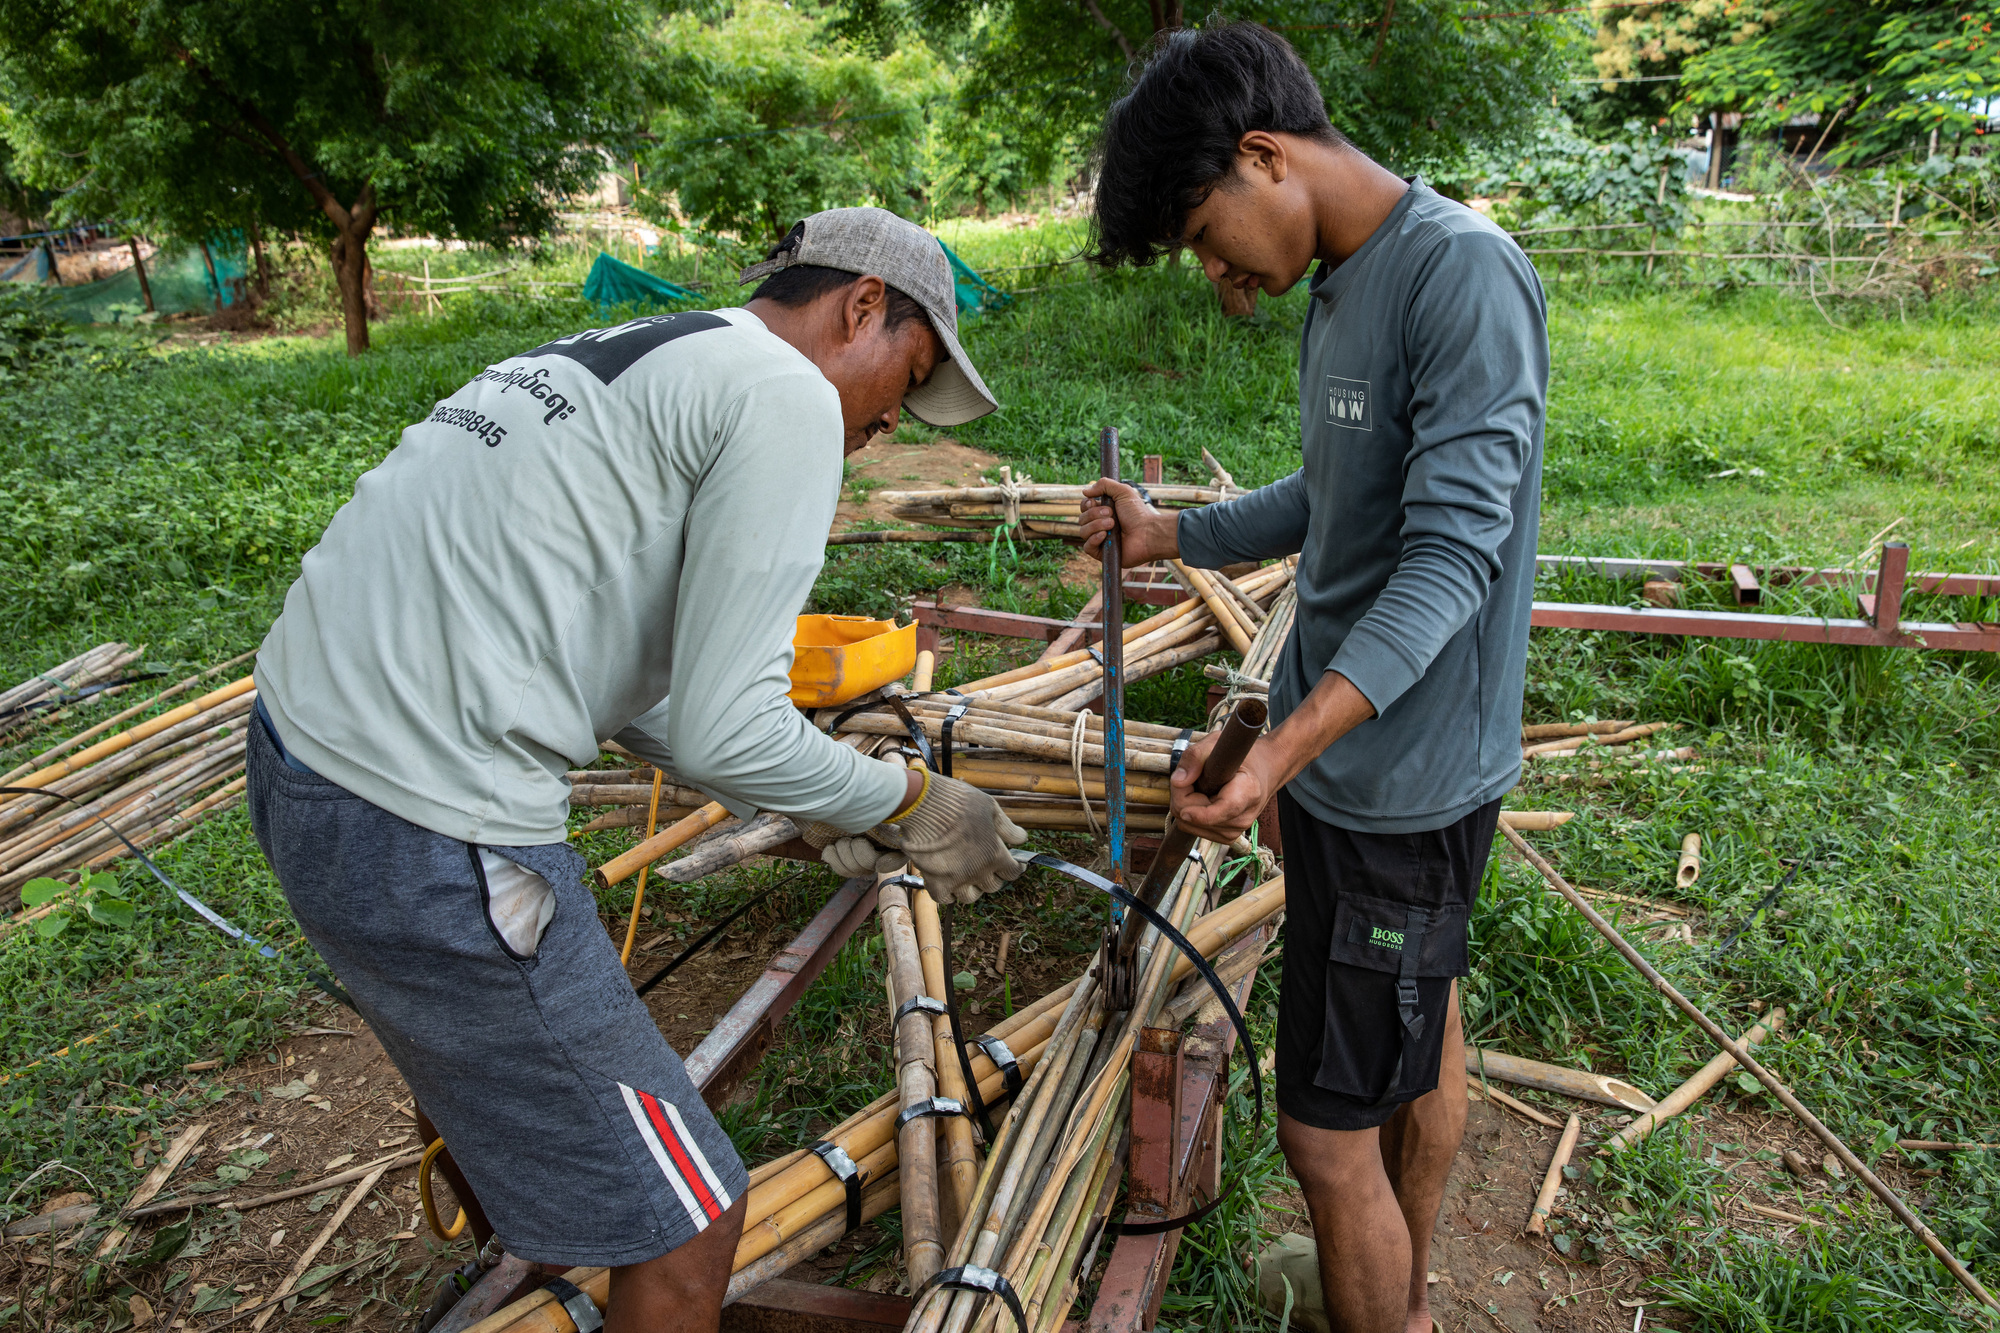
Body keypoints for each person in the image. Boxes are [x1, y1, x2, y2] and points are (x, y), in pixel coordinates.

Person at [246, 207, 1027, 1333]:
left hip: (303, 764)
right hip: (428, 829)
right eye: (903, 374)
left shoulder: (650, 356)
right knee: (692, 1218)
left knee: (546, 1114)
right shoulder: (786, 394)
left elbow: (645, 691)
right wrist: (914, 799)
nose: (892, 419)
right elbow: (727, 725)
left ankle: (554, 1225)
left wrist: (805, 808)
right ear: (862, 303)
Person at [1078, 24, 1547, 1333]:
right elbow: (1336, 498)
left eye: (1210, 243)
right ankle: (1401, 1277)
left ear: (1265, 157)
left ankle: (1383, 1297)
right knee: (1419, 1028)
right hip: (1351, 766)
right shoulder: (1348, 280)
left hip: (1398, 785)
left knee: (1322, 1135)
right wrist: (1175, 532)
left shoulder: (1461, 278)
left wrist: (1277, 756)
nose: (1224, 285)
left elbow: (1451, 564)